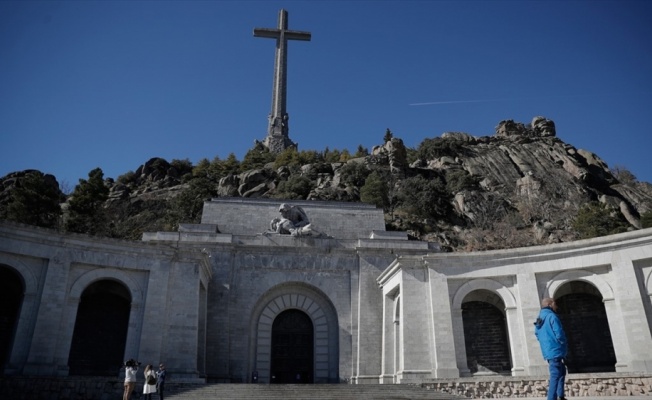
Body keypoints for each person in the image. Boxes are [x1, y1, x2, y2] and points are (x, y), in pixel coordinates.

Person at [534, 298, 568, 400]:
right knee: (555, 374)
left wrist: (545, 343)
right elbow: (559, 333)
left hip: (548, 350)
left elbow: (536, 333)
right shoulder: (552, 316)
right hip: (556, 349)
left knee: (561, 371)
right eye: (555, 304)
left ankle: (560, 395)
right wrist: (563, 343)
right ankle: (551, 398)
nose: (556, 306)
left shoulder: (539, 318)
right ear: (549, 304)